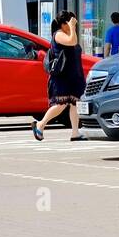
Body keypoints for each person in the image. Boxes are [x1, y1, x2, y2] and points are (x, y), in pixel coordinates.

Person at [32, 12, 87, 141]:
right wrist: (72, 27)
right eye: (69, 23)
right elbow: (72, 42)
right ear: (63, 24)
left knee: (75, 103)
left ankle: (75, 133)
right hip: (62, 76)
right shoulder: (59, 35)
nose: (72, 25)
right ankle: (40, 124)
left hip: (74, 76)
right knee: (60, 104)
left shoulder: (68, 33)